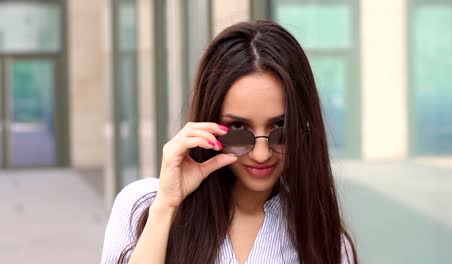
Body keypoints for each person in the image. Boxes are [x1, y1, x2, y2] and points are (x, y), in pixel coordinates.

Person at [100, 20, 358, 264]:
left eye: (281, 130)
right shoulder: (143, 206)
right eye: (238, 130)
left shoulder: (323, 242)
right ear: (209, 124)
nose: (260, 153)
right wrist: (166, 207)